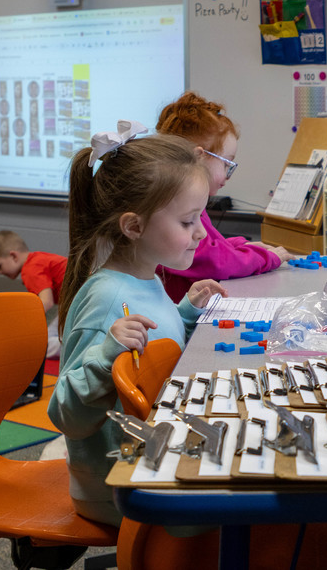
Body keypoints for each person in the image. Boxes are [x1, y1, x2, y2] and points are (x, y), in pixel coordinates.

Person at [48, 123, 226, 525]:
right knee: (246, 508)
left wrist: (185, 313)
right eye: (188, 222)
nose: (201, 233)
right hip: (117, 489)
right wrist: (104, 357)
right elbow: (65, 416)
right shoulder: (107, 300)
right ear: (134, 227)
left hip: (145, 461)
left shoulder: (145, 277)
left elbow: (153, 353)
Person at [154, 92, 293, 302]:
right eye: (226, 164)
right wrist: (267, 258)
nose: (228, 174)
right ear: (198, 157)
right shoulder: (173, 205)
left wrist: (242, 246)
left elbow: (211, 245)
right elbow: (213, 260)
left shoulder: (190, 204)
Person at [0, 229, 67, 358]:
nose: (0, 272)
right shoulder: (37, 259)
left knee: (42, 346)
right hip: (79, 298)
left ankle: (82, 346)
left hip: (83, 299)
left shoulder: (30, 269)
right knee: (49, 336)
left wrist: (21, 324)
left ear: (13, 256)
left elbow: (46, 302)